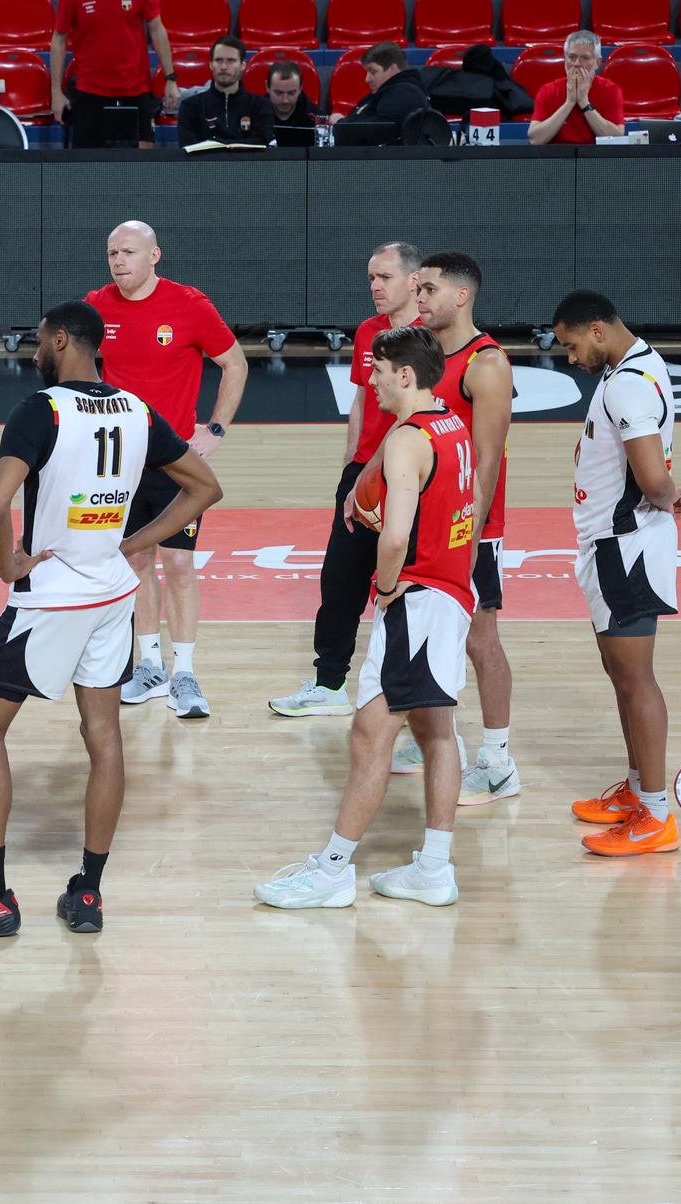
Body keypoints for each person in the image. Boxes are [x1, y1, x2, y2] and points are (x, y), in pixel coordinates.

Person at [0, 302, 222, 938]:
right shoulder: (137, 409)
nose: (34, 355)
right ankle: (87, 892)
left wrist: (8, 566)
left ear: (61, 340)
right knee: (103, 739)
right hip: (111, 597)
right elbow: (204, 488)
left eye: (39, 344)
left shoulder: (42, 409)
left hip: (50, 599)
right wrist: (135, 544)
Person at [254, 326, 476, 910]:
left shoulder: (408, 439)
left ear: (405, 375)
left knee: (369, 736)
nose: (369, 379)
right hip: (451, 597)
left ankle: (331, 871)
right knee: (436, 731)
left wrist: (383, 586)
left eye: (377, 370)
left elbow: (397, 532)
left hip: (418, 601)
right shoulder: (453, 424)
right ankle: (433, 868)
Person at [85, 220, 246, 718]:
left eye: (129, 251)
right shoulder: (96, 306)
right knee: (135, 562)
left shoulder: (189, 306)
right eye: (112, 252)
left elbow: (235, 363)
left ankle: (186, 674)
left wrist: (215, 429)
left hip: (176, 463)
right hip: (119, 463)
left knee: (177, 564)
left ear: (154, 256)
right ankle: (149, 667)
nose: (118, 260)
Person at [553, 291, 681, 856]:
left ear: (600, 330)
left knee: (636, 679)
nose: (570, 356)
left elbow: (652, 478)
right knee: (620, 672)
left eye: (572, 343)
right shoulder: (636, 366)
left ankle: (656, 817)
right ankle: (637, 793)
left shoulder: (628, 383)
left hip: (624, 548)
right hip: (614, 544)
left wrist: (670, 496)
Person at [271, 242, 422, 718]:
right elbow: (361, 401)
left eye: (385, 277)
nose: (375, 286)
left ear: (414, 282)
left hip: (409, 476)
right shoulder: (367, 332)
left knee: (407, 587)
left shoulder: (431, 338)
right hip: (363, 474)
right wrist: (352, 468)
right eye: (371, 278)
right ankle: (329, 684)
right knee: (340, 581)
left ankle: (411, 697)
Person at [394, 252, 518, 807]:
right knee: (425, 630)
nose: (417, 299)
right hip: (423, 524)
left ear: (461, 296)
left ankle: (497, 761)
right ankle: (430, 740)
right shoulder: (424, 356)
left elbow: (488, 460)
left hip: (470, 529)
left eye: (428, 290)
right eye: (416, 290)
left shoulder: (486, 364)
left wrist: (470, 534)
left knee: (478, 637)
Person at [50, 0, 178, 147]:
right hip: (90, 94)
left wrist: (170, 78)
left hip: (136, 91)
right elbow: (59, 38)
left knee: (142, 165)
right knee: (88, 166)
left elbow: (156, 29)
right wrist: (56, 93)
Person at [527, 31, 626, 145]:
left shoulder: (611, 91)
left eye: (585, 58)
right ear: (565, 59)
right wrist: (570, 102)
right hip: (557, 158)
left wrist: (584, 103)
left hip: (596, 158)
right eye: (572, 57)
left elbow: (617, 139)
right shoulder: (548, 91)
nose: (577, 63)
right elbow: (535, 139)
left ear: (597, 62)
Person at [178, 37, 274, 147]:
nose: (223, 67)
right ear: (210, 64)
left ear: (243, 65)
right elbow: (187, 149)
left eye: (230, 61)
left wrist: (216, 145)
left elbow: (263, 144)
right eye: (218, 60)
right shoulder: (190, 107)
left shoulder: (261, 105)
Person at [334, 43, 430, 140]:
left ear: (393, 68)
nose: (367, 79)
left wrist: (341, 123)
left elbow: (381, 130)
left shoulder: (403, 93)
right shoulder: (389, 91)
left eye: (373, 72)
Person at [267, 60, 320, 132]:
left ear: (300, 88)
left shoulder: (313, 116)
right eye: (279, 93)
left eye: (291, 93)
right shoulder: (256, 114)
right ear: (267, 87)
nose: (285, 100)